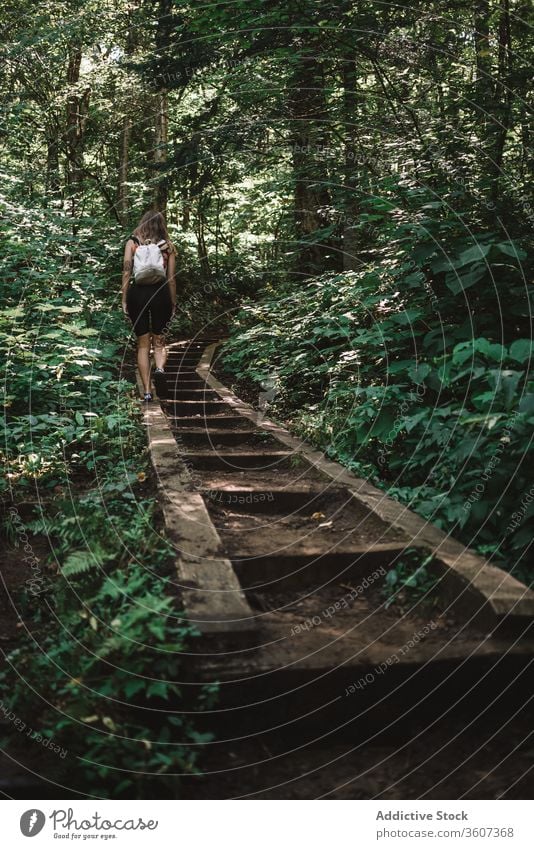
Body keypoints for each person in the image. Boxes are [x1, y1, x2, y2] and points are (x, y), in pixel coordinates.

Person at [121, 210, 176, 401]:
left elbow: (127, 272)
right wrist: (173, 301)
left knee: (142, 344)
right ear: (162, 225)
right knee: (159, 341)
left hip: (138, 294)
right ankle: (160, 368)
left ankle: (146, 391)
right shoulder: (167, 246)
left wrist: (124, 298)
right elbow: (171, 279)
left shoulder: (132, 242)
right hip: (161, 294)